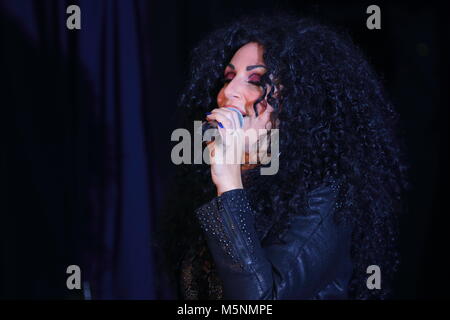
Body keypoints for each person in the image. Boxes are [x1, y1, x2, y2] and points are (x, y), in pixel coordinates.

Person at [156, 12, 407, 300]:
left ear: (298, 103)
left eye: (255, 80)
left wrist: (228, 178)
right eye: (228, 78)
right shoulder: (220, 186)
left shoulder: (324, 195)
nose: (229, 92)